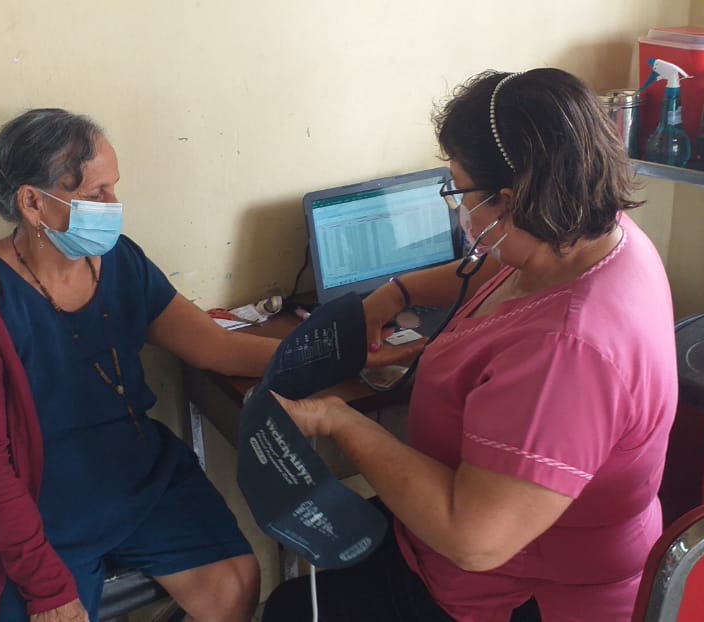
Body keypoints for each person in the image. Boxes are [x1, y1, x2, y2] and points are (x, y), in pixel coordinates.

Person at [261, 68, 678, 621]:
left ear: (508, 201)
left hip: (511, 594)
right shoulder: (589, 240)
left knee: (291, 609)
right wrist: (399, 291)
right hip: (451, 540)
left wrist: (340, 421)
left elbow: (475, 541)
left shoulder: (568, 352)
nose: (456, 206)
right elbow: (499, 271)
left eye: (458, 189)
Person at [0, 109, 277, 622]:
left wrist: (328, 348)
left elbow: (215, 348)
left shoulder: (120, 262)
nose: (114, 207)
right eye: (97, 193)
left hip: (132, 473)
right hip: (35, 500)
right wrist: (47, 590)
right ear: (32, 203)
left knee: (236, 584)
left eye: (114, 189)